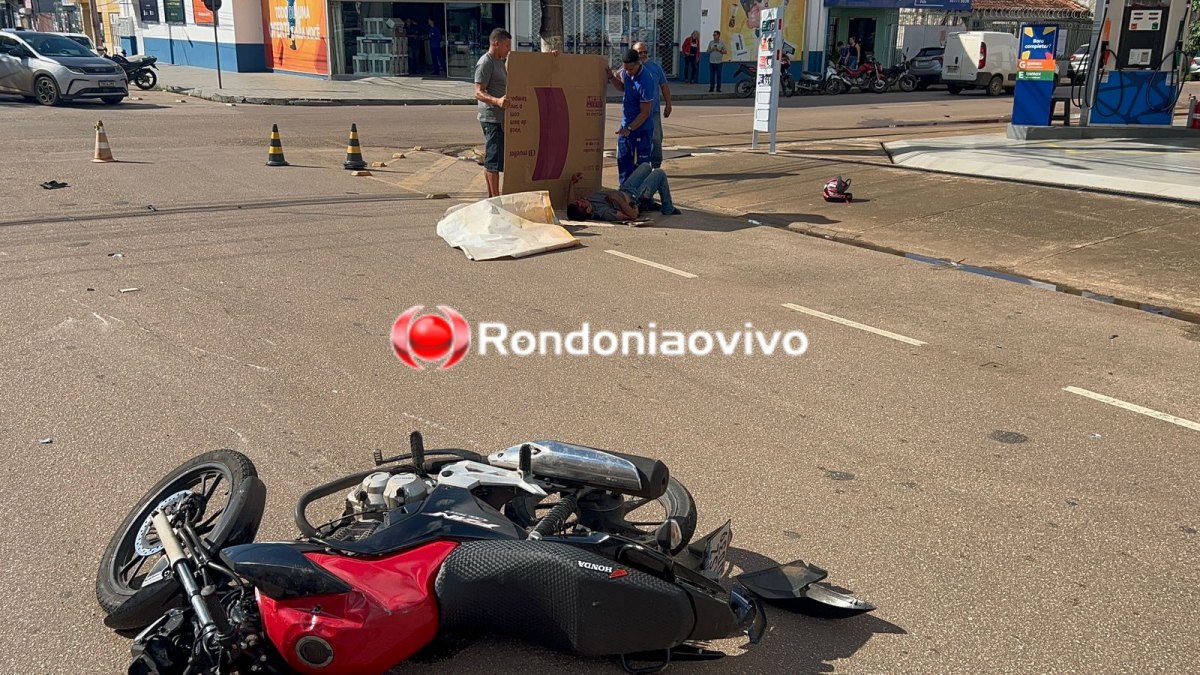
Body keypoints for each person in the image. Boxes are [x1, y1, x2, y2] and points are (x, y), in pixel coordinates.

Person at [565, 163, 681, 223]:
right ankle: (668, 208)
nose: (580, 200)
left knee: (646, 166)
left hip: (626, 189)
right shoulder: (603, 212)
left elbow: (570, 203)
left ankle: (650, 204)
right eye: (580, 204)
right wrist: (618, 199)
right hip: (636, 198)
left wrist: (572, 183)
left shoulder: (586, 203)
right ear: (586, 210)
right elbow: (632, 216)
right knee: (659, 173)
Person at [605, 48, 655, 186]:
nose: (627, 72)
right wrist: (611, 77)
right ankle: (624, 190)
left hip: (641, 128)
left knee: (640, 166)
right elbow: (622, 87)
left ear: (638, 64)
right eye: (625, 68)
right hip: (626, 125)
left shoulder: (645, 81)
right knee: (623, 159)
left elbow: (645, 112)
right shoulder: (625, 72)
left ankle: (640, 192)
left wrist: (630, 128)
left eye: (630, 69)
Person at [474, 28, 512, 199]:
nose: (508, 49)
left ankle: (492, 197)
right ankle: (495, 199)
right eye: (506, 45)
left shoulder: (500, 61)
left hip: (499, 117)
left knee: (493, 159)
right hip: (491, 118)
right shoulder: (486, 62)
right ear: (496, 43)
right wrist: (497, 101)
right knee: (493, 162)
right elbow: (478, 92)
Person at [630, 41, 670, 169]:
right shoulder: (628, 68)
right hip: (636, 113)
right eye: (639, 52)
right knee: (635, 140)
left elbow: (664, 86)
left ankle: (656, 166)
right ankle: (638, 166)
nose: (642, 55)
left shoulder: (655, 68)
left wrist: (668, 104)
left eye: (645, 52)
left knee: (656, 139)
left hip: (653, 112)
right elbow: (618, 79)